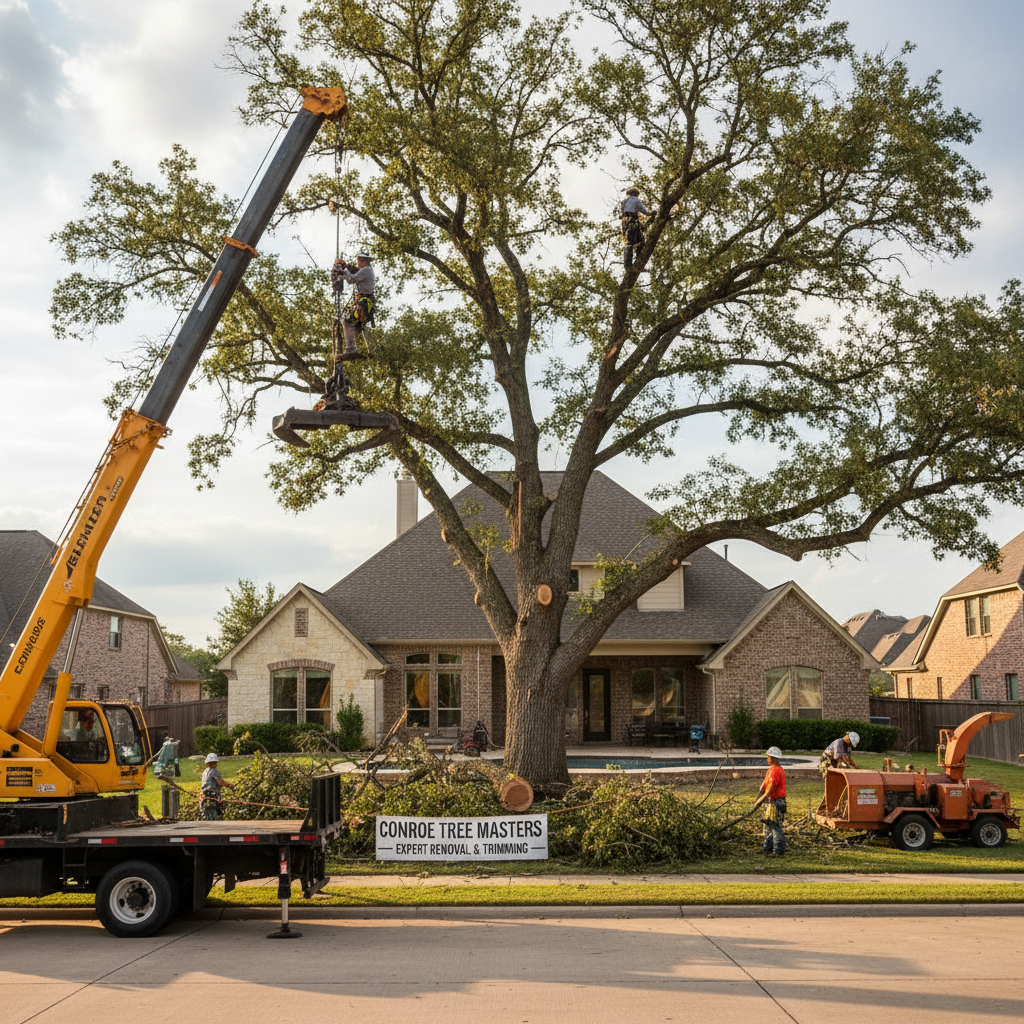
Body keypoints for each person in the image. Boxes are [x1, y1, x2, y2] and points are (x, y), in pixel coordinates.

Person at [331, 251, 376, 359]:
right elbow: (354, 273)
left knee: (347, 322)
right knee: (356, 326)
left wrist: (344, 269)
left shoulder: (366, 270)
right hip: (365, 302)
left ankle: (351, 350)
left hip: (364, 302)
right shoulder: (367, 271)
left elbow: (351, 279)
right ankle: (370, 350)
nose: (358, 263)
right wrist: (345, 267)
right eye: (358, 260)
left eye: (361, 260)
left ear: (366, 261)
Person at [753, 745, 787, 856]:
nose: (767, 759)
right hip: (772, 802)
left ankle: (778, 850)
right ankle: (768, 848)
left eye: (768, 757)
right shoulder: (771, 770)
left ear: (773, 759)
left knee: (775, 826)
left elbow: (771, 788)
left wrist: (761, 799)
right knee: (768, 825)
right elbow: (765, 785)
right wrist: (760, 793)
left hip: (777, 802)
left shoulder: (776, 771)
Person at [620, 187, 651, 269]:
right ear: (636, 194)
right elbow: (644, 211)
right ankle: (639, 259)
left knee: (628, 241)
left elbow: (621, 213)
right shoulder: (636, 200)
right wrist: (651, 213)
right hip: (632, 220)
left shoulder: (624, 201)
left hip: (624, 222)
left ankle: (627, 265)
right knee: (640, 240)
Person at [200, 752, 236, 821]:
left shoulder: (205, 772)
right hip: (213, 796)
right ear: (215, 763)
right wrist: (230, 785)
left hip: (204, 796)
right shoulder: (214, 771)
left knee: (206, 816)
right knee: (215, 816)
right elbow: (220, 782)